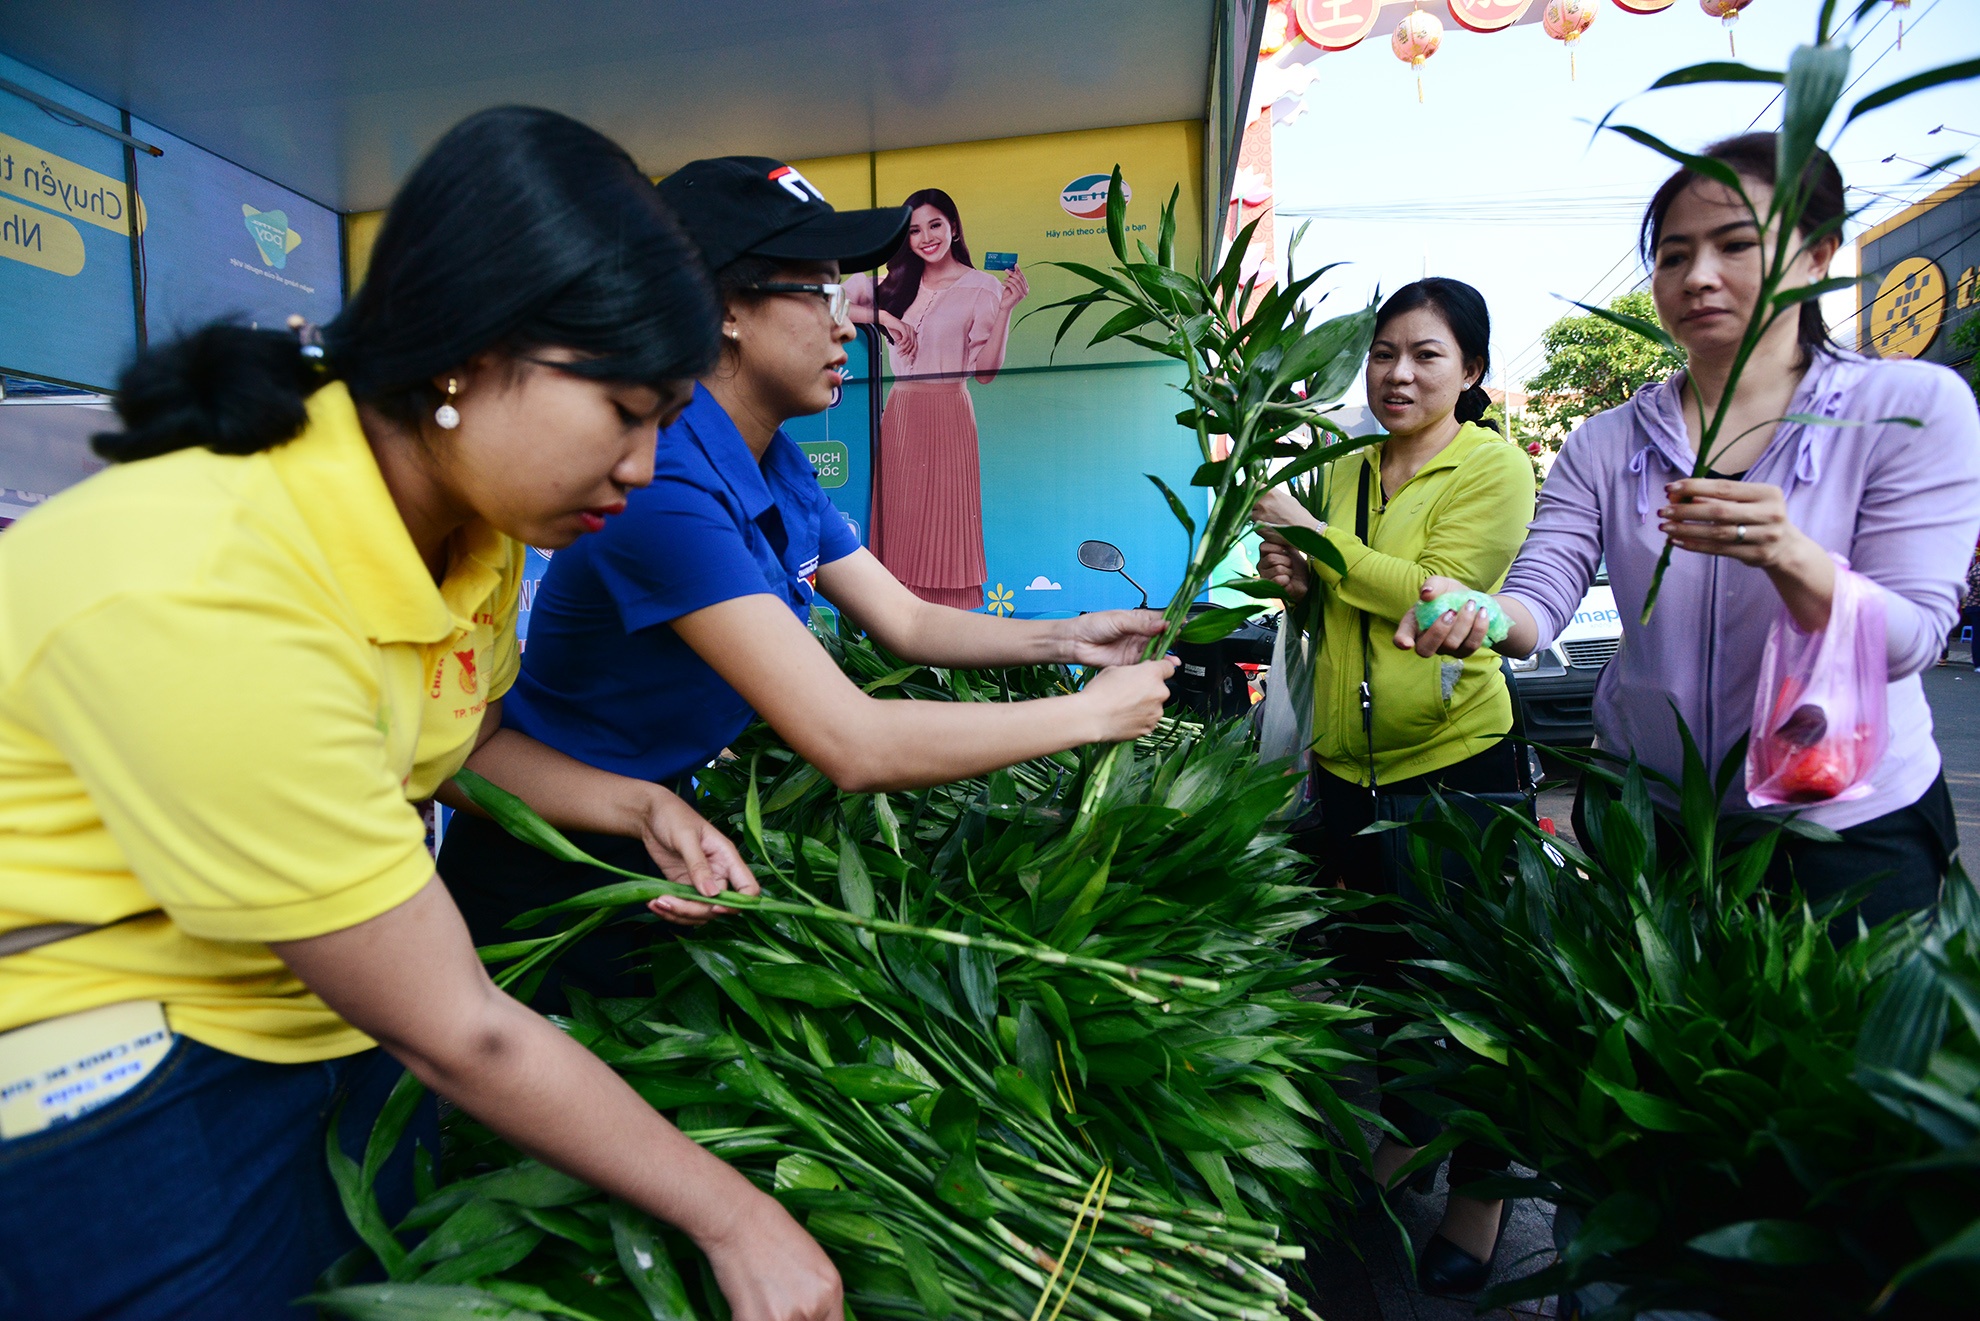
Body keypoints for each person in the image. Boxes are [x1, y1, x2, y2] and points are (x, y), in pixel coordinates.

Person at [0, 110, 841, 1321]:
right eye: (625, 413)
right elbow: (460, 1029)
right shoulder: (213, 580)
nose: (647, 467)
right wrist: (736, 1214)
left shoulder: (474, 523)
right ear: (468, 352)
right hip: (123, 1068)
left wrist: (637, 803)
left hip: (323, 1010)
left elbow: (468, 740)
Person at [441, 157, 1174, 1007]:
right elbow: (852, 743)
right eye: (819, 291)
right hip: (547, 870)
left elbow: (905, 618)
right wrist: (1087, 716)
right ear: (720, 311)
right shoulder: (664, 484)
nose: (852, 321)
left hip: (656, 833)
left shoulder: (774, 462)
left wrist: (1068, 638)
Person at [1401, 132, 1980, 932]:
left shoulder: (1911, 407)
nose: (1698, 275)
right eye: (1674, 256)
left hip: (1841, 820)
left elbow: (1912, 636)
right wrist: (1486, 614)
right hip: (1653, 824)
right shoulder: (1605, 442)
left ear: (1817, 255)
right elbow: (1541, 592)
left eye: (1736, 244)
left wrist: (1790, 555)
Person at [1250, 278, 1536, 1295]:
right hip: (1346, 771)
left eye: (1424, 354)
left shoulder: (1492, 468)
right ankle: (1408, 1143)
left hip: (1454, 771)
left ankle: (1481, 1196)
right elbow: (1333, 594)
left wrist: (1316, 541)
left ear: (1471, 372)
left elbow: (1426, 595)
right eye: (1383, 354)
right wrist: (1293, 566)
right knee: (1383, 983)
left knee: (1471, 995)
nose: (1398, 373)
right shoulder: (1348, 469)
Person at [842, 188, 1027, 609]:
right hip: (901, 414)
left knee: (947, 527)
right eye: (914, 230)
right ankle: (897, 632)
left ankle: (943, 640)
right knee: (900, 527)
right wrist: (883, 317)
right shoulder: (892, 284)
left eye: (935, 225)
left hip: (949, 414)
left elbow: (985, 373)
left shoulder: (982, 286)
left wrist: (1007, 309)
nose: (926, 237)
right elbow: (828, 302)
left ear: (954, 227)